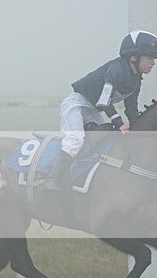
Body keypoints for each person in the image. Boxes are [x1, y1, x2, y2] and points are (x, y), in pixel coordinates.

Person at [43, 30, 157, 190]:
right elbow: (104, 101)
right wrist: (118, 123)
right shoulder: (116, 69)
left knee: (102, 140)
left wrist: (135, 127)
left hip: (93, 111)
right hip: (76, 106)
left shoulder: (136, 79)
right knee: (75, 140)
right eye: (150, 58)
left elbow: (131, 107)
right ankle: (52, 179)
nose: (153, 63)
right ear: (134, 57)